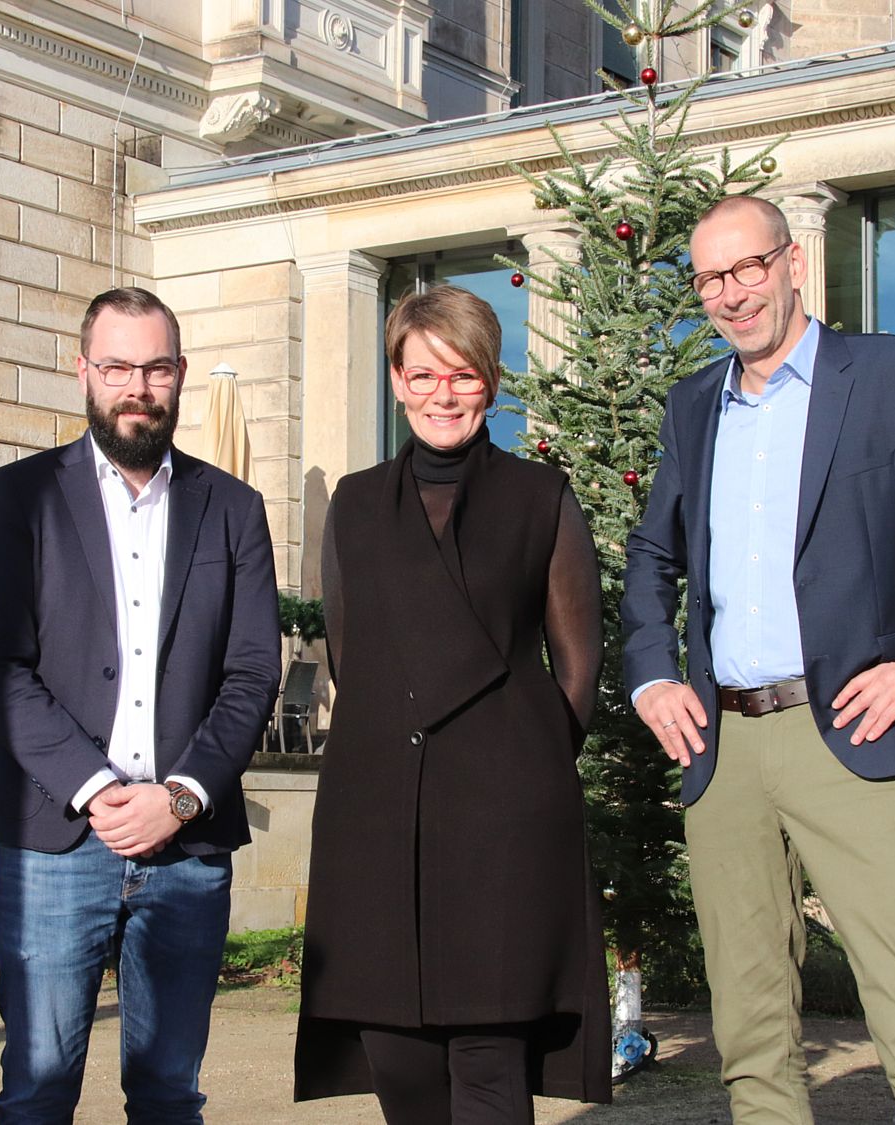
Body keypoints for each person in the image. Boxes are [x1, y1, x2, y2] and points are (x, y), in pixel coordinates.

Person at [621, 196, 895, 1124]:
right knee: (748, 1025)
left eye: (748, 267)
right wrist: (654, 670)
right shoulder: (694, 404)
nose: (733, 294)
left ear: (791, 264)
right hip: (723, 748)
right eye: (710, 277)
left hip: (857, 736)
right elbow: (653, 554)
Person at [0, 286, 282, 1124]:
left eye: (156, 367)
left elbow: (252, 672)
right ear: (84, 372)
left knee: (171, 1094)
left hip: (188, 844)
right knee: (36, 1090)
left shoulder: (235, 510)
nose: (137, 386)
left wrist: (178, 797)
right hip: (55, 839)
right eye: (117, 366)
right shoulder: (19, 495)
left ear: (177, 374)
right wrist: (99, 790)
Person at [295, 283, 613, 1123]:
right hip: (380, 809)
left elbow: (578, 667)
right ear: (397, 381)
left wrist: (520, 763)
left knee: (487, 1054)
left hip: (502, 816)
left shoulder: (541, 496)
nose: (444, 394)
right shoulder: (355, 504)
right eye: (424, 374)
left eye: (464, 375)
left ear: (492, 384)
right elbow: (350, 654)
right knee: (396, 1052)